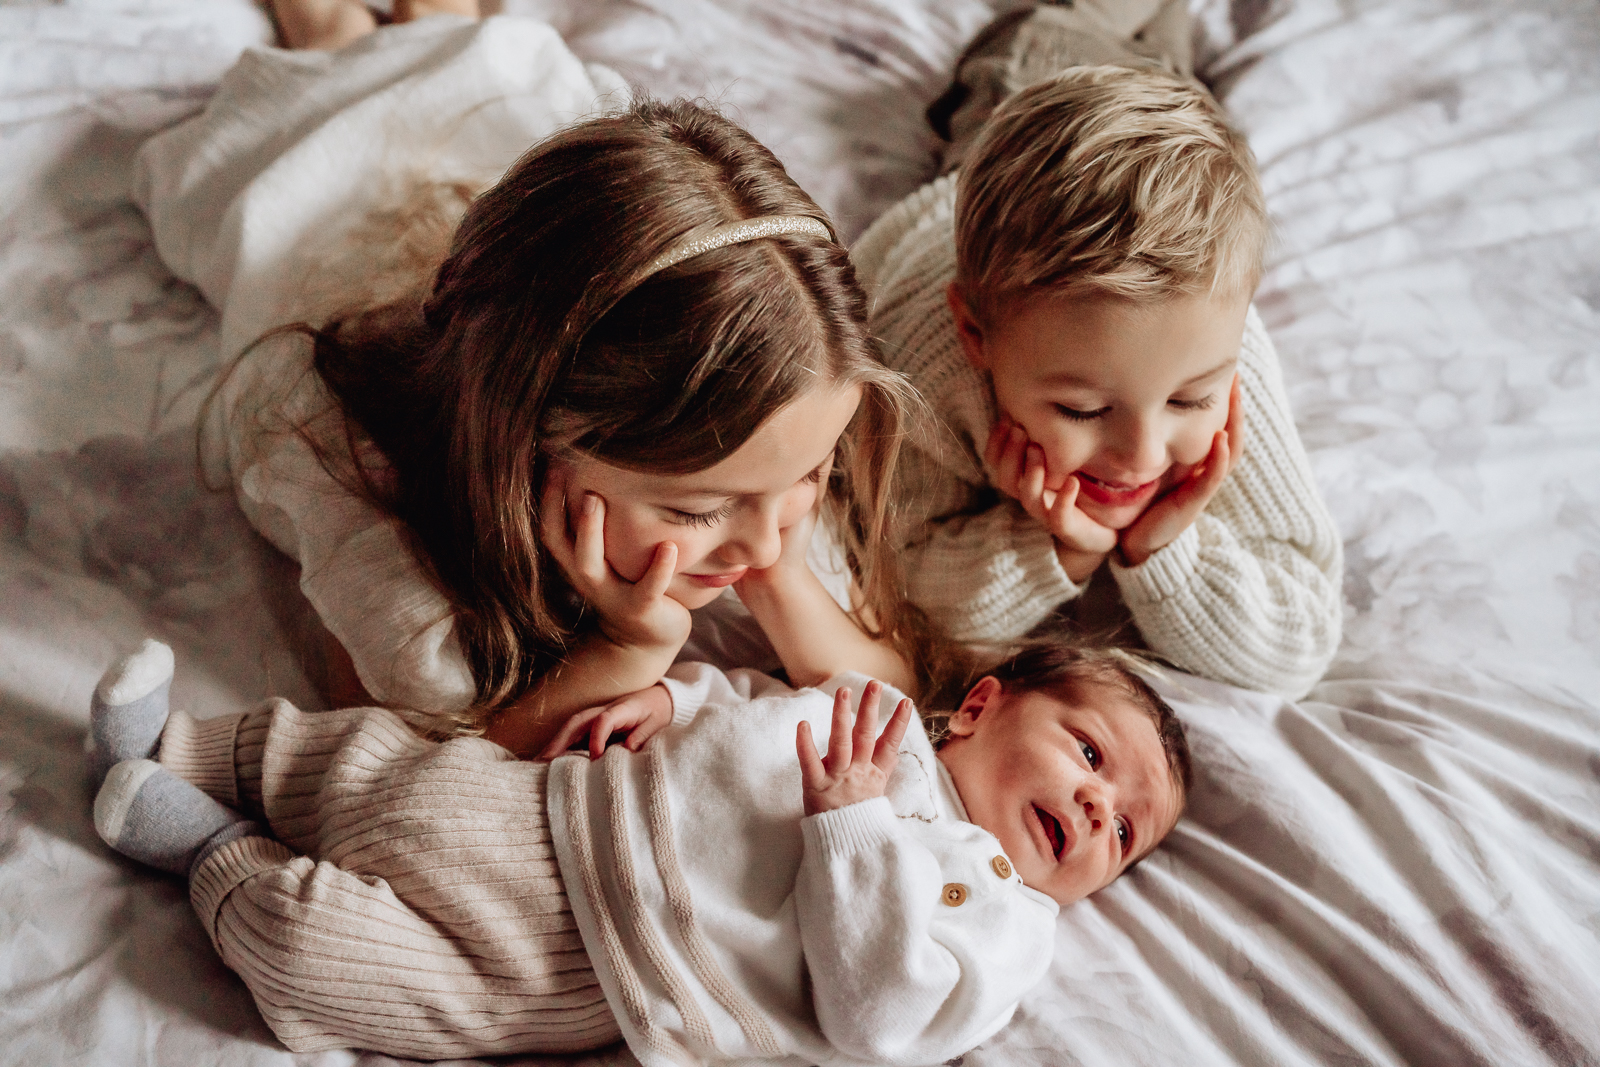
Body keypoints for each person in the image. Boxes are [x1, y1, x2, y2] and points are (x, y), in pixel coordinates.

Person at [135, 0, 928, 755]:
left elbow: (897, 706)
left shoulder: (769, 460)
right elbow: (412, 757)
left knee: (455, 43)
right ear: (531, 436)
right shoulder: (360, 479)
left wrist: (782, 583)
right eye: (699, 509)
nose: (764, 538)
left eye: (811, 472)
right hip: (328, 187)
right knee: (330, 39)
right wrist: (625, 649)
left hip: (502, 205)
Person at [86, 633, 1190, 1063]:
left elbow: (877, 1015)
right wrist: (672, 694)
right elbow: (755, 695)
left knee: (320, 950)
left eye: (1124, 830)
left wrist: (851, 823)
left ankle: (203, 846)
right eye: (1090, 755)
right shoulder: (879, 715)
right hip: (559, 810)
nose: (1097, 810)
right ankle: (178, 748)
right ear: (982, 704)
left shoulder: (1005, 923)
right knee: (368, 765)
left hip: (595, 974)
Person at [853, 3, 1343, 700]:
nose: (1143, 456)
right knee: (1040, 37)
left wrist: (1165, 549)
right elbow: (894, 593)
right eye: (1083, 409)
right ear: (975, 335)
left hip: (1158, 110)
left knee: (1167, 44)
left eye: (1188, 401)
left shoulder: (1214, 350)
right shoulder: (923, 369)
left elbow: (1301, 639)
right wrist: (1061, 548)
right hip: (1025, 84)